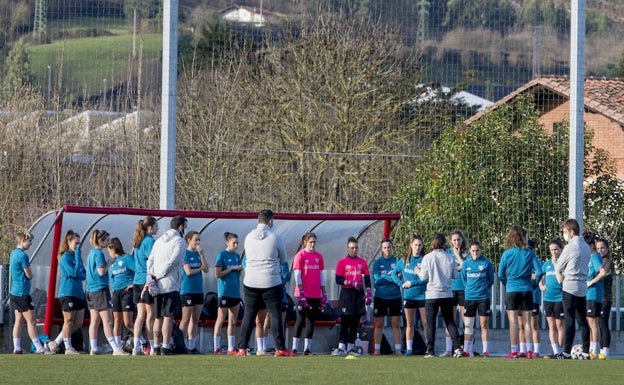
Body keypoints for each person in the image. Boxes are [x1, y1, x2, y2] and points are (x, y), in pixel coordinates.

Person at [235, 209, 296, 357]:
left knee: (249, 315)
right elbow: (283, 259)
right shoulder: (275, 238)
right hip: (271, 280)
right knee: (275, 315)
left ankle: (242, 348)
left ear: (258, 220)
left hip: (250, 281)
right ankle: (280, 349)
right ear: (270, 221)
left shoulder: (249, 237)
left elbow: (247, 257)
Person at [497, 225, 542, 359]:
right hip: (527, 290)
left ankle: (514, 351)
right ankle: (529, 351)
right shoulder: (529, 253)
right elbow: (539, 272)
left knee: (513, 322)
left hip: (512, 290)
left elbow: (500, 274)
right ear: (522, 237)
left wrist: (508, 284)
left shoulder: (507, 253)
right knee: (527, 322)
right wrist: (533, 284)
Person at [417, 233, 463, 358]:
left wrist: (418, 271)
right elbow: (455, 275)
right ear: (444, 243)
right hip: (447, 294)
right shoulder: (449, 257)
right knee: (449, 321)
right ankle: (457, 348)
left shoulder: (427, 257)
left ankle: (430, 350)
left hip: (432, 294)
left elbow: (423, 277)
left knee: (431, 323)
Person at [147, 215, 187, 355]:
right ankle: (165, 346)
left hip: (157, 284)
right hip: (169, 283)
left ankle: (156, 347)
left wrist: (151, 277)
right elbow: (173, 260)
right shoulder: (179, 241)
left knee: (158, 317)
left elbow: (150, 261)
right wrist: (160, 274)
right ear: (181, 227)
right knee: (168, 317)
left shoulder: (158, 241)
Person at [85, 229, 127, 355]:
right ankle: (115, 348)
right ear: (101, 240)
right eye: (107, 240)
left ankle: (94, 348)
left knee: (95, 321)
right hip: (99, 290)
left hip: (90, 290)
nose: (108, 243)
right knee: (107, 321)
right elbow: (101, 271)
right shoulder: (98, 254)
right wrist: (110, 262)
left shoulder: (91, 253)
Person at [555, 218, 591, 359]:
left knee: (569, 319)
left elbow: (559, 266)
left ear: (571, 231)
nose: (565, 234)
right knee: (583, 320)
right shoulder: (586, 247)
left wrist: (561, 275)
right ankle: (586, 351)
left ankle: (566, 351)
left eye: (565, 231)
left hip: (570, 286)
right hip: (582, 287)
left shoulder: (571, 246)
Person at [332, 236, 372, 356]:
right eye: (352, 248)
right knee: (345, 321)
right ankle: (341, 347)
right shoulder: (342, 262)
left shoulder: (362, 262)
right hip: (347, 293)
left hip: (358, 293)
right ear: (348, 248)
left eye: (356, 248)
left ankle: (350, 348)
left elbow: (367, 278)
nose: (354, 250)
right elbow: (338, 279)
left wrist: (368, 292)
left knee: (355, 322)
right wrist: (349, 282)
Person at [48, 230, 86, 355]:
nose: (78, 246)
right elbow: (74, 273)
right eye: (76, 243)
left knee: (78, 323)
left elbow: (83, 275)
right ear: (69, 242)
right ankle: (68, 347)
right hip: (67, 292)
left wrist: (78, 260)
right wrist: (77, 269)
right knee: (68, 320)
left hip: (78, 293)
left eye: (79, 244)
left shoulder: (77, 256)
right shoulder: (65, 257)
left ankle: (56, 343)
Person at [9, 230, 46, 354]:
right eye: (29, 241)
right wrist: (30, 275)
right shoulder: (22, 256)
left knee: (18, 321)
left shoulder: (13, 253)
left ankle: (17, 347)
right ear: (23, 240)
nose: (30, 244)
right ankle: (39, 348)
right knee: (32, 320)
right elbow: (29, 274)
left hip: (14, 292)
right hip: (22, 293)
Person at [291, 232, 327, 355]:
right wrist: (301, 292)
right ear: (305, 242)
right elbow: (297, 275)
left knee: (311, 320)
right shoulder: (300, 255)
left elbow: (321, 275)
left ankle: (307, 349)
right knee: (300, 319)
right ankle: (294, 348)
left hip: (315, 294)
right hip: (302, 293)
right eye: (311, 242)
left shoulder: (319, 256)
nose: (313, 244)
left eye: (314, 242)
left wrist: (324, 292)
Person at [391, 234, 427, 356]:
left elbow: (426, 279)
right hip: (409, 296)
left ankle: (429, 348)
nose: (418, 247)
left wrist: (412, 283)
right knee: (409, 323)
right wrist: (400, 284)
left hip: (422, 295)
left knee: (425, 322)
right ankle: (409, 349)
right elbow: (394, 273)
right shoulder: (404, 260)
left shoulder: (424, 260)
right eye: (415, 245)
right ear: (411, 245)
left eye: (420, 245)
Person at [460, 240, 494, 357]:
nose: (475, 253)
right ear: (470, 251)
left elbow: (491, 280)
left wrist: (482, 289)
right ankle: (466, 350)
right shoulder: (466, 264)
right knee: (468, 325)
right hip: (469, 298)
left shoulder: (487, 263)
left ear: (481, 250)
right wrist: (470, 290)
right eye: (473, 251)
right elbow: (464, 280)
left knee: (484, 324)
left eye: (477, 250)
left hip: (483, 298)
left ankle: (486, 350)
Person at [131, 216, 158, 355]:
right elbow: (153, 261)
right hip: (146, 281)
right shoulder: (149, 241)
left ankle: (136, 347)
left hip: (137, 280)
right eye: (156, 226)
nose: (157, 228)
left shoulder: (138, 241)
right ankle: (152, 347)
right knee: (150, 316)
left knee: (140, 315)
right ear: (150, 227)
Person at [371, 238, 402, 355]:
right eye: (384, 248)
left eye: (389, 247)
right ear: (382, 250)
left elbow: (399, 278)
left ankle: (398, 350)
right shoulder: (378, 263)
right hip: (380, 296)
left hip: (395, 296)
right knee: (379, 323)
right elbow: (377, 280)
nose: (387, 250)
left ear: (392, 248)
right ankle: (377, 350)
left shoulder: (398, 261)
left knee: (396, 323)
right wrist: (392, 278)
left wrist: (387, 278)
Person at [179, 231, 209, 354]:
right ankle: (181, 344)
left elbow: (206, 269)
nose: (198, 242)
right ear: (189, 240)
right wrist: (200, 268)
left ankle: (192, 346)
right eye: (196, 240)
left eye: (199, 240)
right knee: (185, 319)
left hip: (198, 290)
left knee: (195, 319)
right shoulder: (184, 254)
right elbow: (188, 272)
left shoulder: (198, 254)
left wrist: (202, 255)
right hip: (187, 290)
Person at [213, 232, 243, 355]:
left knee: (232, 321)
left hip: (235, 292)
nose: (236, 245)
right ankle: (217, 347)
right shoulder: (222, 255)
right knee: (220, 319)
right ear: (227, 242)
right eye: (233, 243)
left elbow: (238, 274)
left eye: (237, 243)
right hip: (224, 292)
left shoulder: (237, 256)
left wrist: (238, 270)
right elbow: (217, 274)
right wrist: (231, 269)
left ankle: (231, 348)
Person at [108, 237, 136, 353]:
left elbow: (138, 271)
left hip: (126, 293)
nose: (109, 253)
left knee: (128, 322)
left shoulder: (127, 258)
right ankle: (117, 348)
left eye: (109, 250)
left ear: (114, 248)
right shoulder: (112, 264)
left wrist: (133, 284)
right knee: (117, 321)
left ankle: (143, 342)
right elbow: (112, 278)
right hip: (116, 293)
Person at [443, 229, 468, 357]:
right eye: (454, 240)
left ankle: (467, 348)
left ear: (462, 240)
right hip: (450, 289)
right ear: (450, 241)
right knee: (450, 320)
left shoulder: (467, 253)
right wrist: (457, 267)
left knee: (466, 320)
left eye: (458, 239)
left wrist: (457, 256)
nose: (457, 242)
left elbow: (464, 266)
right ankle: (449, 349)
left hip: (463, 289)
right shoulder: (447, 253)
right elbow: (448, 269)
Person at [540, 239, 565, 359]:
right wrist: (541, 285)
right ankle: (555, 351)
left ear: (561, 249)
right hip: (548, 298)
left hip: (560, 298)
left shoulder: (564, 264)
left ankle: (560, 351)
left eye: (556, 249)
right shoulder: (547, 264)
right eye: (551, 250)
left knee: (559, 325)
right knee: (551, 326)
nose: (554, 252)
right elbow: (539, 274)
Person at [583, 232, 605, 359]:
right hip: (587, 294)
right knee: (588, 321)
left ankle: (595, 350)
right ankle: (591, 349)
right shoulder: (588, 258)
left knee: (593, 322)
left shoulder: (595, 256)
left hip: (594, 294)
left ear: (591, 245)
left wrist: (591, 282)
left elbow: (602, 272)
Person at [596, 238, 613, 358]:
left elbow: (602, 275)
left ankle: (605, 350)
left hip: (605, 297)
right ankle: (600, 349)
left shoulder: (608, 263)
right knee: (598, 323)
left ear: (607, 249)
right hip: (597, 296)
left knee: (603, 323)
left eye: (602, 248)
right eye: (597, 248)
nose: (600, 250)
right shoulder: (596, 260)